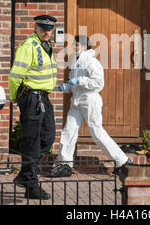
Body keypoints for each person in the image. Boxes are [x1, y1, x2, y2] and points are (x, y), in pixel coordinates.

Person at [49, 35, 132, 178]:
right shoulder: (76, 62)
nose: (75, 47)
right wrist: (67, 87)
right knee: (68, 131)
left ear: (85, 46)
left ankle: (122, 162)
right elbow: (76, 85)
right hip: (76, 101)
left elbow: (98, 83)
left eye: (78, 44)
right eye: (75, 44)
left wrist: (78, 80)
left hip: (89, 101)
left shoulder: (92, 62)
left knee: (97, 133)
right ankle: (65, 164)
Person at [8, 15, 58, 200]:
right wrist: (15, 97)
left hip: (43, 98)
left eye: (49, 28)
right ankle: (31, 184)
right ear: (35, 27)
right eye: (43, 28)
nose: (46, 31)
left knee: (48, 137)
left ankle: (25, 175)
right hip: (31, 98)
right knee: (32, 141)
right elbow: (15, 75)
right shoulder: (29, 45)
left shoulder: (45, 46)